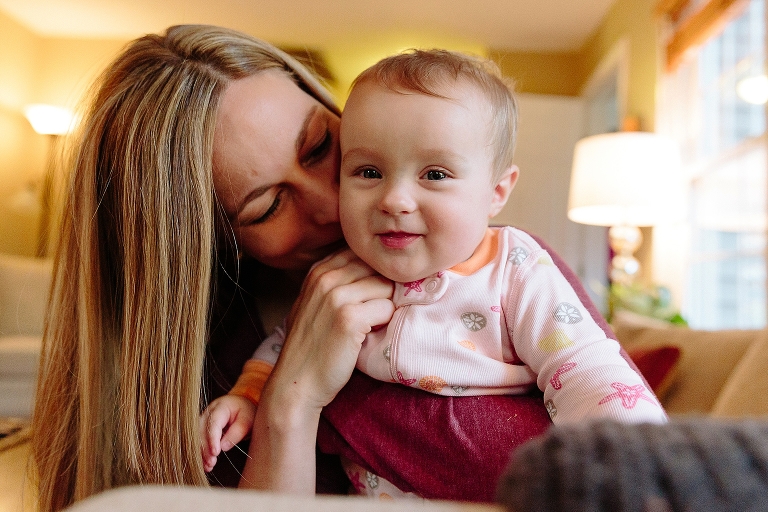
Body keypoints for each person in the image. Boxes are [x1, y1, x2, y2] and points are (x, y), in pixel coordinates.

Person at [31, 25, 561, 511]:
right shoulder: (207, 391)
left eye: (321, 147)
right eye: (266, 207)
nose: (334, 204)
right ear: (214, 246)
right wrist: (290, 401)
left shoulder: (515, 274)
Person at [199, 49, 668, 499]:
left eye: (436, 175)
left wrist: (636, 459)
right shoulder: (335, 276)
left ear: (497, 191)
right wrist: (251, 393)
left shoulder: (512, 266)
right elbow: (285, 345)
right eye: (367, 171)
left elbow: (585, 368)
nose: (395, 199)